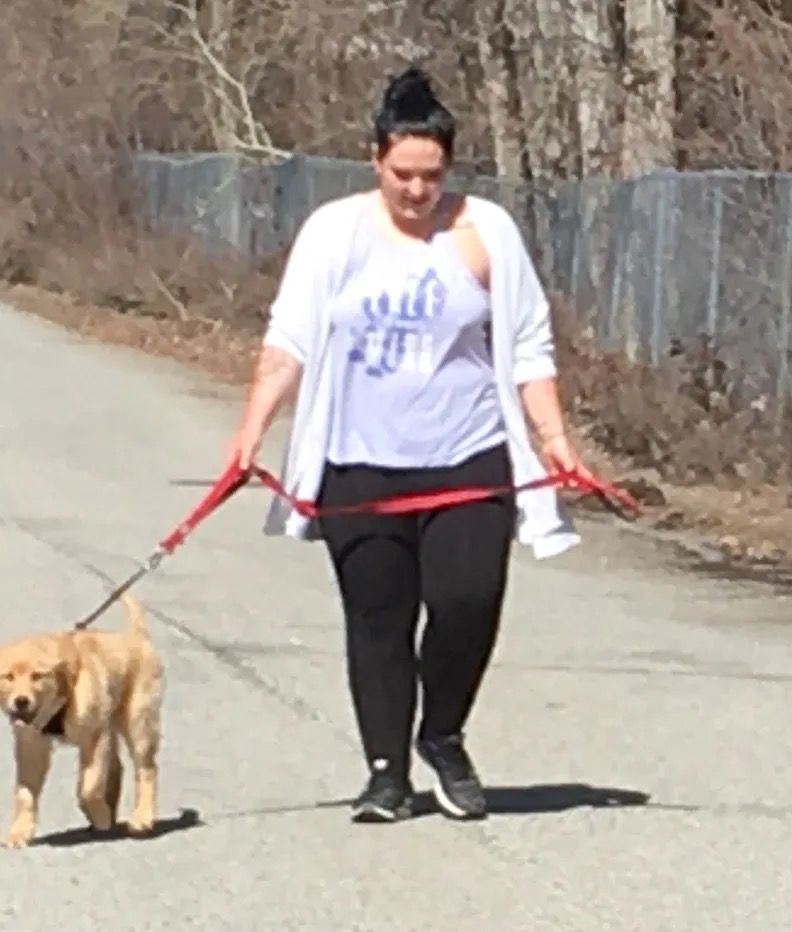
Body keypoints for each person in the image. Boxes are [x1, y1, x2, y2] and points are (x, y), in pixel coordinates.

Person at [225, 66, 596, 824]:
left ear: (449, 168)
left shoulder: (486, 231)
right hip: (360, 462)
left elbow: (527, 343)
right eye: (402, 173)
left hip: (468, 457)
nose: (416, 191)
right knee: (378, 619)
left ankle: (444, 733)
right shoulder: (336, 232)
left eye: (430, 175)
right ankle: (386, 774)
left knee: (468, 601)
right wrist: (250, 432)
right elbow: (289, 338)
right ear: (375, 161)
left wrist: (555, 440)